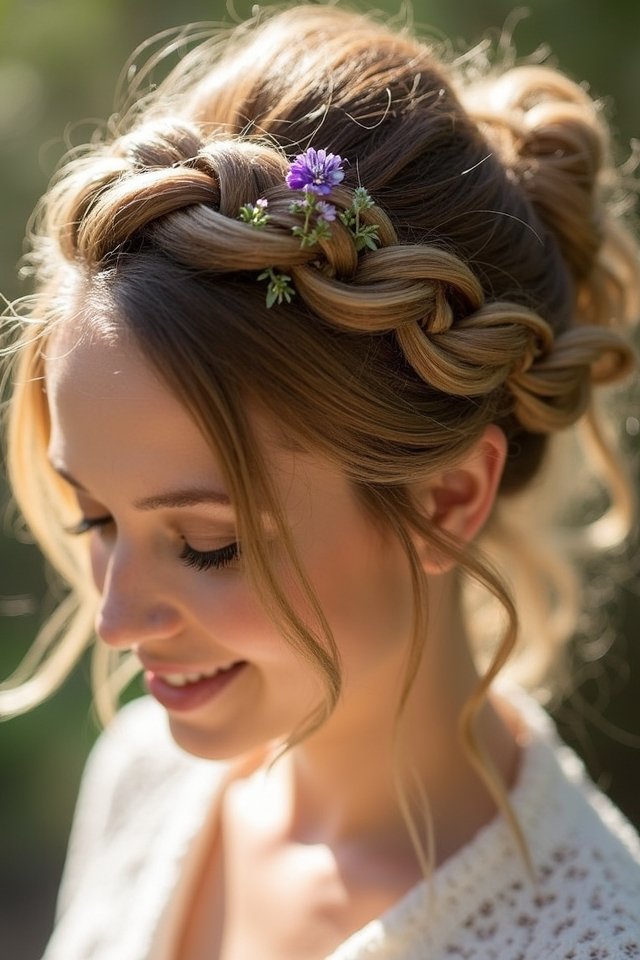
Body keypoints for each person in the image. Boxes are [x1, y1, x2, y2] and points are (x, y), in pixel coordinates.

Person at [2, 5, 639, 958]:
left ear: (446, 499)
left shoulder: (593, 939)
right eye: (95, 519)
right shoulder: (142, 781)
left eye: (208, 544)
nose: (116, 622)